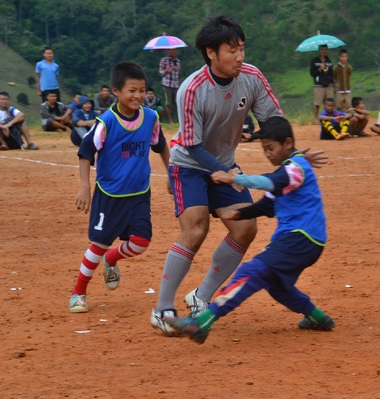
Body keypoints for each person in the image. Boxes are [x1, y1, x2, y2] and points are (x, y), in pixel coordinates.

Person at [150, 15, 326, 336]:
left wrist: (295, 156)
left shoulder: (252, 78)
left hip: (224, 164)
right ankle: (162, 308)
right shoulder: (191, 89)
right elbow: (189, 143)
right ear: (211, 53)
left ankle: (201, 297)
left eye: (242, 49)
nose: (240, 57)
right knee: (196, 228)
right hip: (188, 164)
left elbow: (274, 122)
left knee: (245, 228)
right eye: (232, 50)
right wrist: (222, 172)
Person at [164, 116, 335, 344]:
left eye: (271, 148)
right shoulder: (288, 171)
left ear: (287, 143)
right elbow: (267, 204)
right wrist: (239, 214)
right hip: (301, 240)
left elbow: (270, 183)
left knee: (252, 272)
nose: (268, 154)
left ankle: (202, 322)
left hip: (301, 238)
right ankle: (318, 318)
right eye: (264, 149)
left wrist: (235, 178)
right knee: (277, 285)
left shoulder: (296, 168)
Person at [69, 61, 170, 313]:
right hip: (109, 194)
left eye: (142, 90)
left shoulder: (150, 118)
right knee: (99, 244)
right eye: (131, 90)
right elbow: (85, 153)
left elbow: (161, 147)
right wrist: (84, 187)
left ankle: (112, 259)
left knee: (141, 242)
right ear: (116, 91)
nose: (138, 96)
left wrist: (172, 174)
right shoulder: (106, 122)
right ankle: (78, 292)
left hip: (139, 193)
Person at [310, 44, 334, 119]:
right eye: (322, 50)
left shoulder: (329, 61)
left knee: (329, 103)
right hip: (319, 85)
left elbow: (331, 73)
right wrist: (320, 69)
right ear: (320, 50)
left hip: (328, 85)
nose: (324, 51)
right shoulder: (314, 61)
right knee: (317, 103)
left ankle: (327, 118)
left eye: (326, 50)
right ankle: (316, 118)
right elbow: (312, 73)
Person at [159, 48, 181, 124]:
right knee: (168, 102)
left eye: (174, 50)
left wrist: (174, 68)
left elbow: (178, 71)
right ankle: (170, 120)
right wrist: (165, 71)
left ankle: (180, 119)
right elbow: (160, 72)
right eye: (171, 50)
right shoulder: (164, 60)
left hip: (175, 84)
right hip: (167, 83)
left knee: (178, 102)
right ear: (168, 51)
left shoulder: (178, 61)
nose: (173, 51)